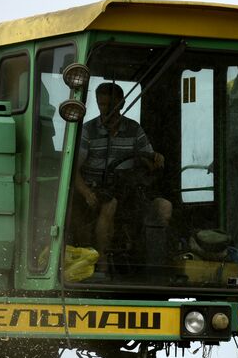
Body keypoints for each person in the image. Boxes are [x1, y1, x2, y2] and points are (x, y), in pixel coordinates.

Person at [71, 82, 173, 274]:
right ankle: (102, 264)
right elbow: (73, 170)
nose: (105, 110)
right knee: (110, 204)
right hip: (98, 188)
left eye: (110, 105)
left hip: (129, 189)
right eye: (101, 105)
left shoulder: (134, 129)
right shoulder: (88, 131)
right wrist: (86, 193)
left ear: (122, 103)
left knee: (164, 207)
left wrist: (157, 159)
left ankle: (157, 267)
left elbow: (150, 161)